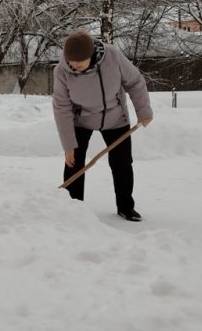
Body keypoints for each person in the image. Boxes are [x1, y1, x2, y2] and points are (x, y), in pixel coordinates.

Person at [53, 30, 153, 222]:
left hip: (115, 117)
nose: (75, 68)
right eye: (71, 64)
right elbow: (61, 107)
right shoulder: (61, 71)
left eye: (80, 64)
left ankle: (125, 206)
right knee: (73, 162)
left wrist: (144, 112)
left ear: (91, 56)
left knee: (122, 163)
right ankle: (73, 207)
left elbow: (135, 81)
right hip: (80, 119)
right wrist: (68, 146)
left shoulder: (113, 57)